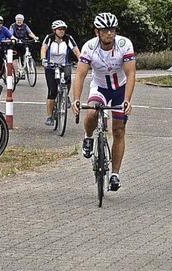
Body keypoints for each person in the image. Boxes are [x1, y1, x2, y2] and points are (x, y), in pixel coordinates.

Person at [72, 12, 136, 192]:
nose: (109, 33)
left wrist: (127, 100)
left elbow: (131, 74)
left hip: (119, 89)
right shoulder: (89, 47)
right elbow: (81, 75)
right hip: (99, 88)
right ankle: (88, 137)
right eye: (105, 30)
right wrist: (76, 99)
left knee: (119, 130)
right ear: (97, 32)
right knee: (92, 111)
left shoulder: (124, 44)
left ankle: (115, 174)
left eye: (112, 30)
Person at [40, 20, 80, 126]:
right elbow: (43, 49)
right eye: (59, 29)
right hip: (50, 66)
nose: (62, 31)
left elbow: (76, 51)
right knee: (52, 91)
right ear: (54, 30)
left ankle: (65, 95)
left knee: (68, 77)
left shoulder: (68, 38)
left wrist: (81, 61)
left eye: (63, 29)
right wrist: (43, 59)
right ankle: (49, 117)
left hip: (64, 64)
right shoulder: (49, 38)